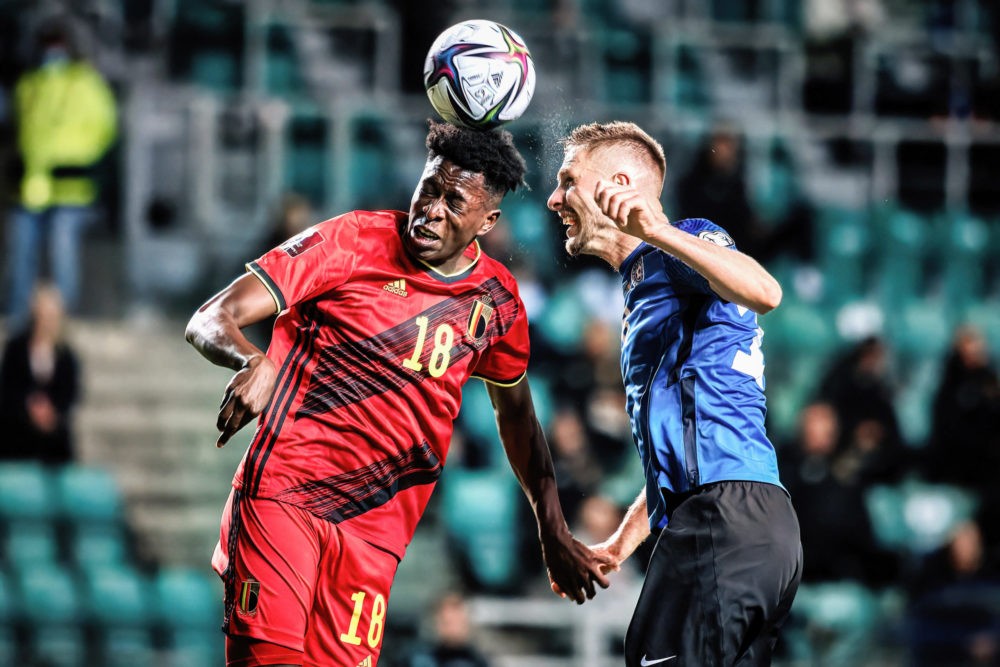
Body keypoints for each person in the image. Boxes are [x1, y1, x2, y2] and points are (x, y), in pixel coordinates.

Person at [185, 121, 611, 667]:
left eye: (454, 201)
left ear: (488, 221)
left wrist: (551, 530)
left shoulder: (498, 302)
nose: (431, 209)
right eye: (428, 188)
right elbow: (211, 317)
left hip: (376, 536)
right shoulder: (352, 240)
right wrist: (253, 359)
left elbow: (519, 418)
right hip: (284, 496)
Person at [545, 121, 802, 666]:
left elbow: (765, 291)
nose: (554, 198)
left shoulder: (681, 243)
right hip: (732, 522)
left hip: (723, 520)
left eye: (568, 180)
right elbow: (681, 448)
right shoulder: (644, 279)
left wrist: (656, 228)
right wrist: (621, 542)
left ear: (617, 182)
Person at [4, 16, 117, 327]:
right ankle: (17, 324)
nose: (52, 52)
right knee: (20, 257)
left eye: (58, 44)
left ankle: (56, 324)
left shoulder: (87, 85)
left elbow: (102, 130)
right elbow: (21, 131)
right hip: (30, 187)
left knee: (60, 256)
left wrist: (74, 159)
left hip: (71, 188)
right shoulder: (28, 84)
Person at [0, 282, 80, 464]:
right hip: (17, 425)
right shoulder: (16, 347)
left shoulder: (66, 355)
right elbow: (8, 387)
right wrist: (30, 407)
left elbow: (70, 393)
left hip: (52, 433)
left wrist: (51, 412)